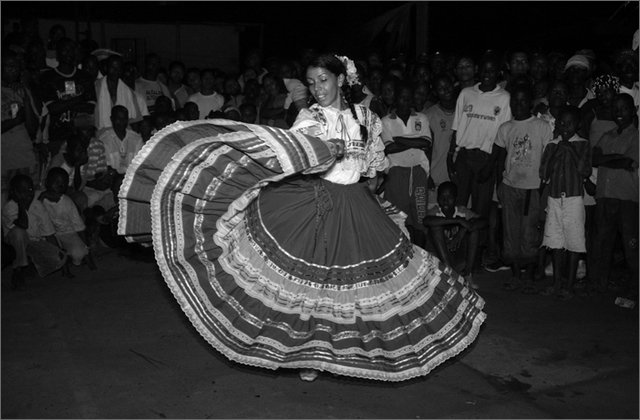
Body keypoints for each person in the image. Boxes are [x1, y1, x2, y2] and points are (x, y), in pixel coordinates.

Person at [117, 53, 485, 383]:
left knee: (357, 285)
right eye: (311, 83)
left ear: (341, 80)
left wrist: (369, 184)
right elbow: (293, 154)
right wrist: (323, 154)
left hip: (355, 205)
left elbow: (377, 166)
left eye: (323, 80)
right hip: (313, 201)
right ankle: (308, 354)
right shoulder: (310, 117)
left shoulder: (366, 118)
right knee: (312, 283)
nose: (317, 88)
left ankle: (334, 350)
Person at [447, 55, 512, 269]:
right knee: (459, 207)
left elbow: (502, 136)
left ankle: (475, 258)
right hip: (464, 155)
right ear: (478, 71)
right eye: (484, 69)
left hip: (486, 157)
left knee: (480, 210)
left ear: (498, 74)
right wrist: (450, 156)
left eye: (492, 71)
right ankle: (456, 255)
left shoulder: (504, 98)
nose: (487, 74)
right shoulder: (466, 93)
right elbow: (456, 127)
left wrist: (492, 163)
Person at [493, 86, 552, 293]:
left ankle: (528, 275)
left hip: (533, 187)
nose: (518, 105)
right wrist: (499, 185)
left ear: (530, 103)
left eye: (522, 100)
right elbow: (499, 158)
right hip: (510, 186)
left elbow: (548, 157)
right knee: (511, 232)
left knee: (529, 233)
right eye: (514, 101)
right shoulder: (505, 128)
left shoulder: (541, 126)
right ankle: (516, 274)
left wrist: (543, 185)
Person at [538, 106, 591, 300]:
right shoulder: (552, 145)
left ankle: (569, 284)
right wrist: (558, 152)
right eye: (562, 122)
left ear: (577, 125)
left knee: (574, 241)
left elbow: (584, 170)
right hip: (554, 198)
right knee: (555, 241)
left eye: (570, 123)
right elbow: (543, 173)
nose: (565, 127)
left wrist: (571, 150)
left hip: (574, 199)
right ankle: (557, 283)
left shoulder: (583, 144)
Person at [591, 93, 638, 303]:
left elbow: (629, 162)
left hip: (627, 198)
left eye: (624, 108)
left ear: (634, 111)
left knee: (631, 246)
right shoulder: (607, 135)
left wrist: (605, 159)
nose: (619, 113)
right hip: (604, 196)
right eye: (616, 109)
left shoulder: (636, 136)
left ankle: (635, 288)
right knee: (603, 242)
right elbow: (594, 158)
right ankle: (599, 285)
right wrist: (616, 159)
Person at [381, 81, 432, 247]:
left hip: (418, 172)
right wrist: (414, 141)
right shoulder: (386, 121)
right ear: (395, 99)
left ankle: (422, 256)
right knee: (397, 219)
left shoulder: (421, 118)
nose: (405, 101)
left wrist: (399, 139)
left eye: (408, 98)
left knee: (420, 217)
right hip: (396, 174)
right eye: (401, 98)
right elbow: (389, 148)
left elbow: (426, 142)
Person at [2, 174, 67, 289]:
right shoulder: (9, 207)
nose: (28, 193)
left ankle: (31, 263)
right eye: (23, 191)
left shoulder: (37, 205)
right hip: (14, 244)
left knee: (59, 257)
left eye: (30, 189)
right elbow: (23, 224)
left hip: (33, 242)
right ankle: (19, 269)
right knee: (19, 233)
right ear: (14, 192)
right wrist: (21, 204)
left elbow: (49, 233)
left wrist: (59, 254)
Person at [423, 181, 486, 289]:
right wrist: (457, 221)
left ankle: (467, 274)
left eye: (449, 197)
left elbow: (484, 221)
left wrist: (461, 233)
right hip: (439, 261)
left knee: (474, 230)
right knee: (436, 227)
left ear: (456, 198)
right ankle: (450, 274)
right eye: (442, 197)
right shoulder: (435, 211)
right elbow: (427, 221)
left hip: (457, 258)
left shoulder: (461, 211)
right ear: (438, 198)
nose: (445, 200)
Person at [39, 167, 95, 272]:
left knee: (79, 252)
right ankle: (62, 259)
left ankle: (68, 257)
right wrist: (41, 198)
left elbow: (79, 228)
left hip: (68, 233)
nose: (60, 186)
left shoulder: (67, 202)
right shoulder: (41, 198)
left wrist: (86, 249)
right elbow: (35, 213)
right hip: (48, 234)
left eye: (63, 183)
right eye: (56, 182)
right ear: (47, 182)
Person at [2, 50, 38, 206]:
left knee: (26, 206)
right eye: (8, 66)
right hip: (4, 158)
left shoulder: (23, 90)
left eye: (15, 67)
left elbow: (32, 129)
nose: (12, 70)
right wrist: (16, 121)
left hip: (23, 156)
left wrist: (26, 101)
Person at [424, 74, 456, 207]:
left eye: (448, 86)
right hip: (436, 177)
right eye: (441, 88)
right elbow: (425, 149)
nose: (446, 90)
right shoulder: (429, 115)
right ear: (436, 93)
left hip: (459, 177)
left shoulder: (464, 111)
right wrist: (427, 174)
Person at [98, 105, 143, 175]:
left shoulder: (136, 139)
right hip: (112, 180)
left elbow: (140, 164)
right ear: (111, 119)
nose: (122, 122)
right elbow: (106, 167)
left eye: (124, 119)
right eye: (118, 119)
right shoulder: (104, 140)